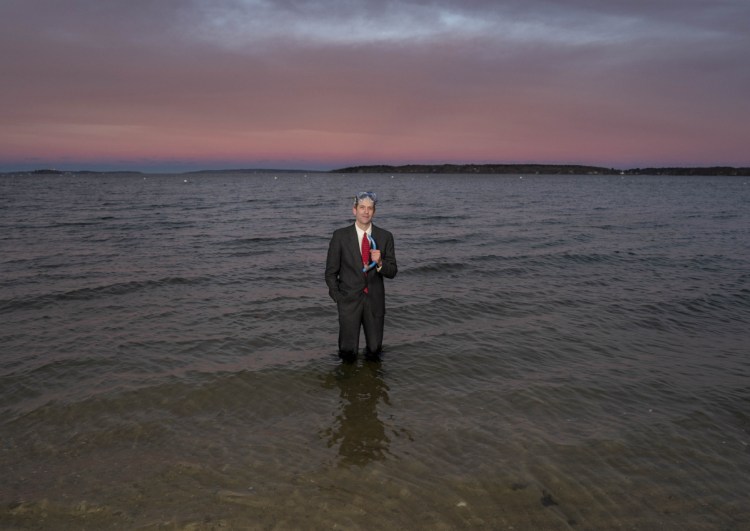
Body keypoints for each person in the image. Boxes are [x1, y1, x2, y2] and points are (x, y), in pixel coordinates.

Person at [325, 192, 397, 361]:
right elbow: (330, 272)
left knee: (374, 352)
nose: (366, 212)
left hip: (375, 302)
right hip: (348, 302)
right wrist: (338, 297)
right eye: (362, 208)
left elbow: (392, 271)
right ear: (354, 210)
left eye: (370, 208)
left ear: (374, 212)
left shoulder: (385, 237)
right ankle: (348, 385)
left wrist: (380, 262)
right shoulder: (340, 236)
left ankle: (372, 385)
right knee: (347, 353)